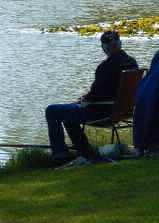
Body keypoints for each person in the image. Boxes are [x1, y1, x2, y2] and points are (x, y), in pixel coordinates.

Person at [45, 30, 139, 164]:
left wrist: (83, 100)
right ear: (120, 43)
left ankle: (60, 155)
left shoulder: (105, 67)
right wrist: (88, 98)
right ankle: (85, 151)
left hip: (101, 113)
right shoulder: (132, 63)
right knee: (68, 112)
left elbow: (93, 97)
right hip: (123, 111)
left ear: (103, 49)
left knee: (52, 111)